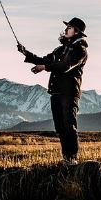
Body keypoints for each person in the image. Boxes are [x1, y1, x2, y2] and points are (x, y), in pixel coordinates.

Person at [17, 17, 88, 165]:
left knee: (69, 125)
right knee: (60, 126)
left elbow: (65, 66)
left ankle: (72, 158)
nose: (66, 29)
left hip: (69, 93)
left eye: (69, 27)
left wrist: (44, 68)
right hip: (56, 92)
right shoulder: (60, 49)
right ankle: (66, 158)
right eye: (67, 26)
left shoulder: (80, 50)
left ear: (77, 32)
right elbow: (45, 60)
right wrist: (26, 53)